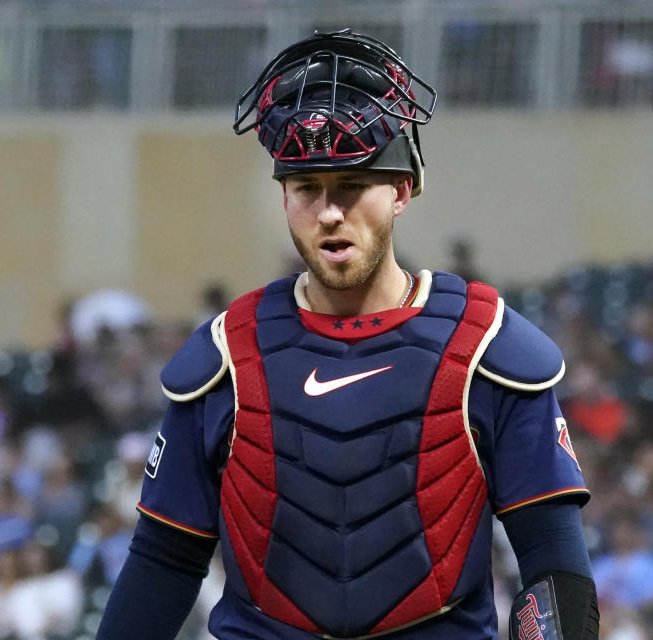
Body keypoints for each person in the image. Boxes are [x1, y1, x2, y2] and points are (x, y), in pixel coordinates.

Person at [98, 29, 598, 640]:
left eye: (352, 186)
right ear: (284, 197)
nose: (329, 213)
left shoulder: (487, 348)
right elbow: (163, 562)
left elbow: (552, 567)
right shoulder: (226, 355)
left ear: (402, 190)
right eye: (308, 190)